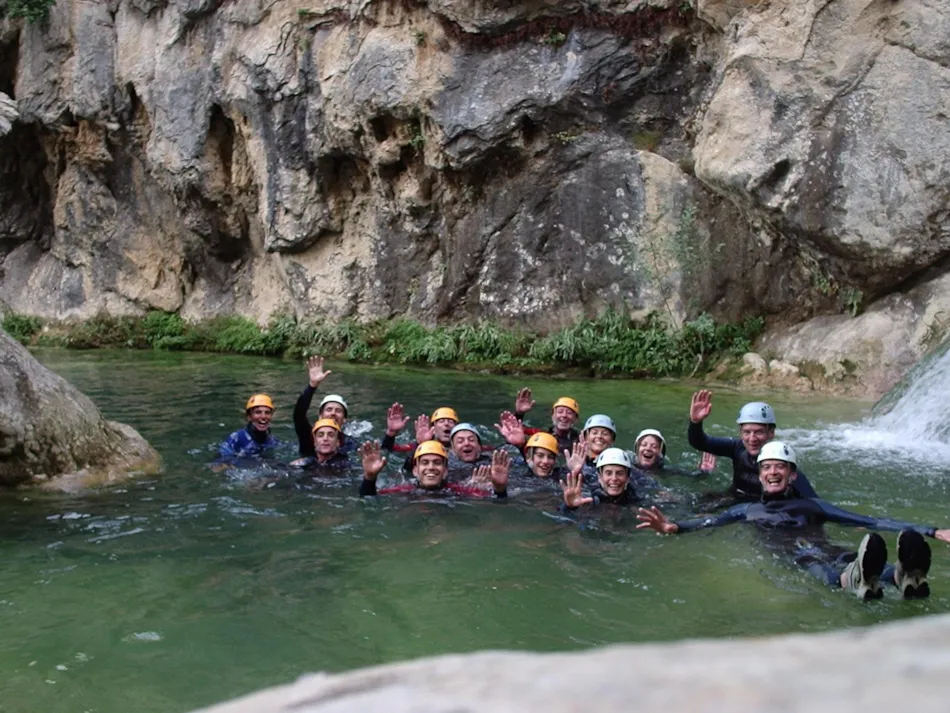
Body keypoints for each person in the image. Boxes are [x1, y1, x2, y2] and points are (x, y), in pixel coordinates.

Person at [636, 441, 950, 600]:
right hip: (799, 558)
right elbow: (710, 523)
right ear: (760, 475)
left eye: (780, 467)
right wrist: (673, 527)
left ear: (792, 475)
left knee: (853, 556)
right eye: (767, 467)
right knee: (823, 567)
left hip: (832, 551)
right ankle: (861, 580)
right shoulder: (745, 511)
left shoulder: (812, 505)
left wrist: (931, 530)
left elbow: (869, 520)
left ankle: (902, 574)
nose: (773, 472)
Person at [687, 390, 817, 500]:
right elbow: (699, 443)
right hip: (734, 498)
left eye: (759, 432)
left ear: (771, 433)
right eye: (747, 432)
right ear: (740, 432)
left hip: (761, 508)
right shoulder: (737, 447)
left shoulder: (782, 463)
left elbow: (815, 503)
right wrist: (695, 422)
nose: (752, 439)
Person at [358, 440, 509, 498]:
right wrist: (369, 477)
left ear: (445, 470)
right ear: (415, 470)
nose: (431, 467)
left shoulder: (458, 491)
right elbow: (368, 498)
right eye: (425, 463)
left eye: (437, 463)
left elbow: (497, 503)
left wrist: (500, 488)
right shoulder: (403, 490)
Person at [293, 356, 358, 457]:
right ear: (320, 416)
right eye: (329, 409)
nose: (333, 413)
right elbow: (299, 415)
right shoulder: (309, 436)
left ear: (344, 419)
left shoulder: (350, 443)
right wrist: (312, 386)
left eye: (338, 410)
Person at [561, 447, 646, 511]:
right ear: (599, 477)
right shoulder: (589, 495)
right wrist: (569, 507)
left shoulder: (636, 498)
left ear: (627, 478)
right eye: (608, 473)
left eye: (619, 473)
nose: (614, 478)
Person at [513, 388, 581, 453]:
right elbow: (514, 433)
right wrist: (519, 414)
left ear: (576, 419)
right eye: (560, 412)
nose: (564, 415)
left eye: (569, 413)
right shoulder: (541, 434)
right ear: (553, 416)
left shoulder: (581, 439)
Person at [217, 394, 281, 461]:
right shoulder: (236, 438)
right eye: (258, 412)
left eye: (267, 413)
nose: (263, 416)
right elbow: (219, 463)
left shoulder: (273, 441)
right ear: (249, 417)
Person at [633, 429, 716, 476]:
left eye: (654, 446)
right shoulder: (629, 468)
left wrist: (704, 472)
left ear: (660, 453)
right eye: (644, 445)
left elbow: (692, 476)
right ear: (637, 450)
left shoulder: (666, 471)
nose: (648, 448)